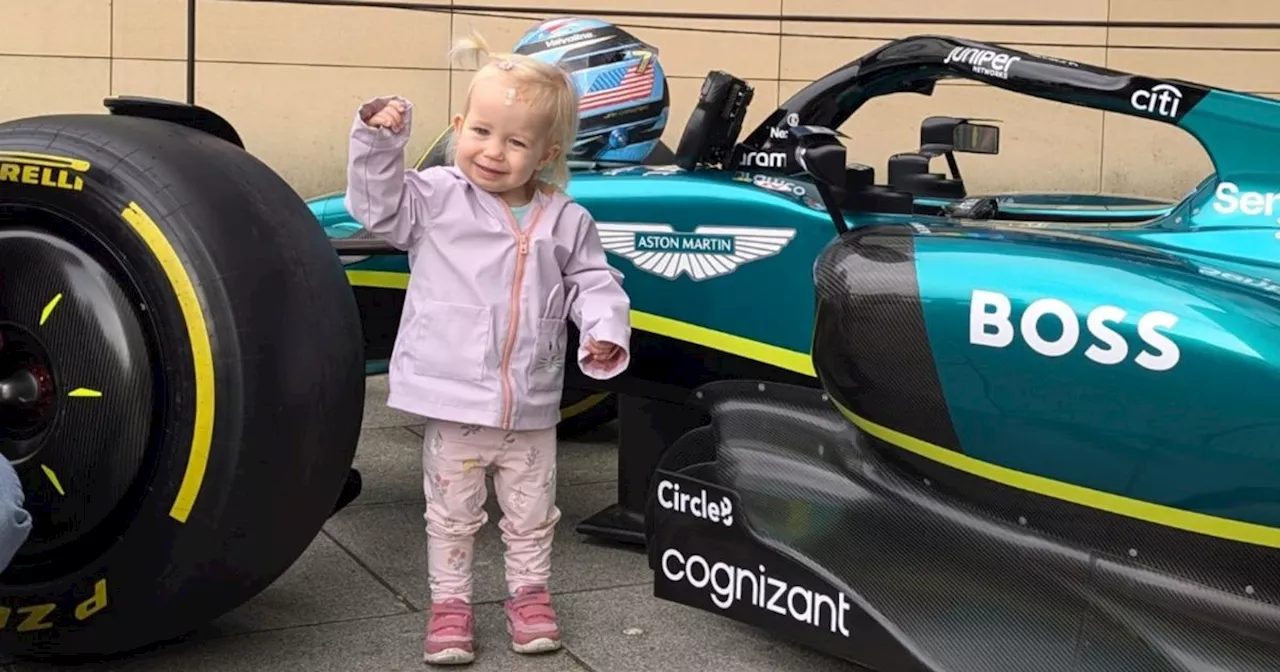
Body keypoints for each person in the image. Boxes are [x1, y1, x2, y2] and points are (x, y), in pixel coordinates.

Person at [344, 28, 632, 666]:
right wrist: (378, 139)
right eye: (480, 132)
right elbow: (374, 205)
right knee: (450, 515)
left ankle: (529, 596)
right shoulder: (437, 198)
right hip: (454, 400)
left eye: (516, 141)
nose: (493, 152)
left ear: (547, 152)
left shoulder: (565, 219)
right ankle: (450, 606)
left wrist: (606, 327)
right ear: (457, 126)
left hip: (530, 403)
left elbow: (593, 280)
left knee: (533, 513)